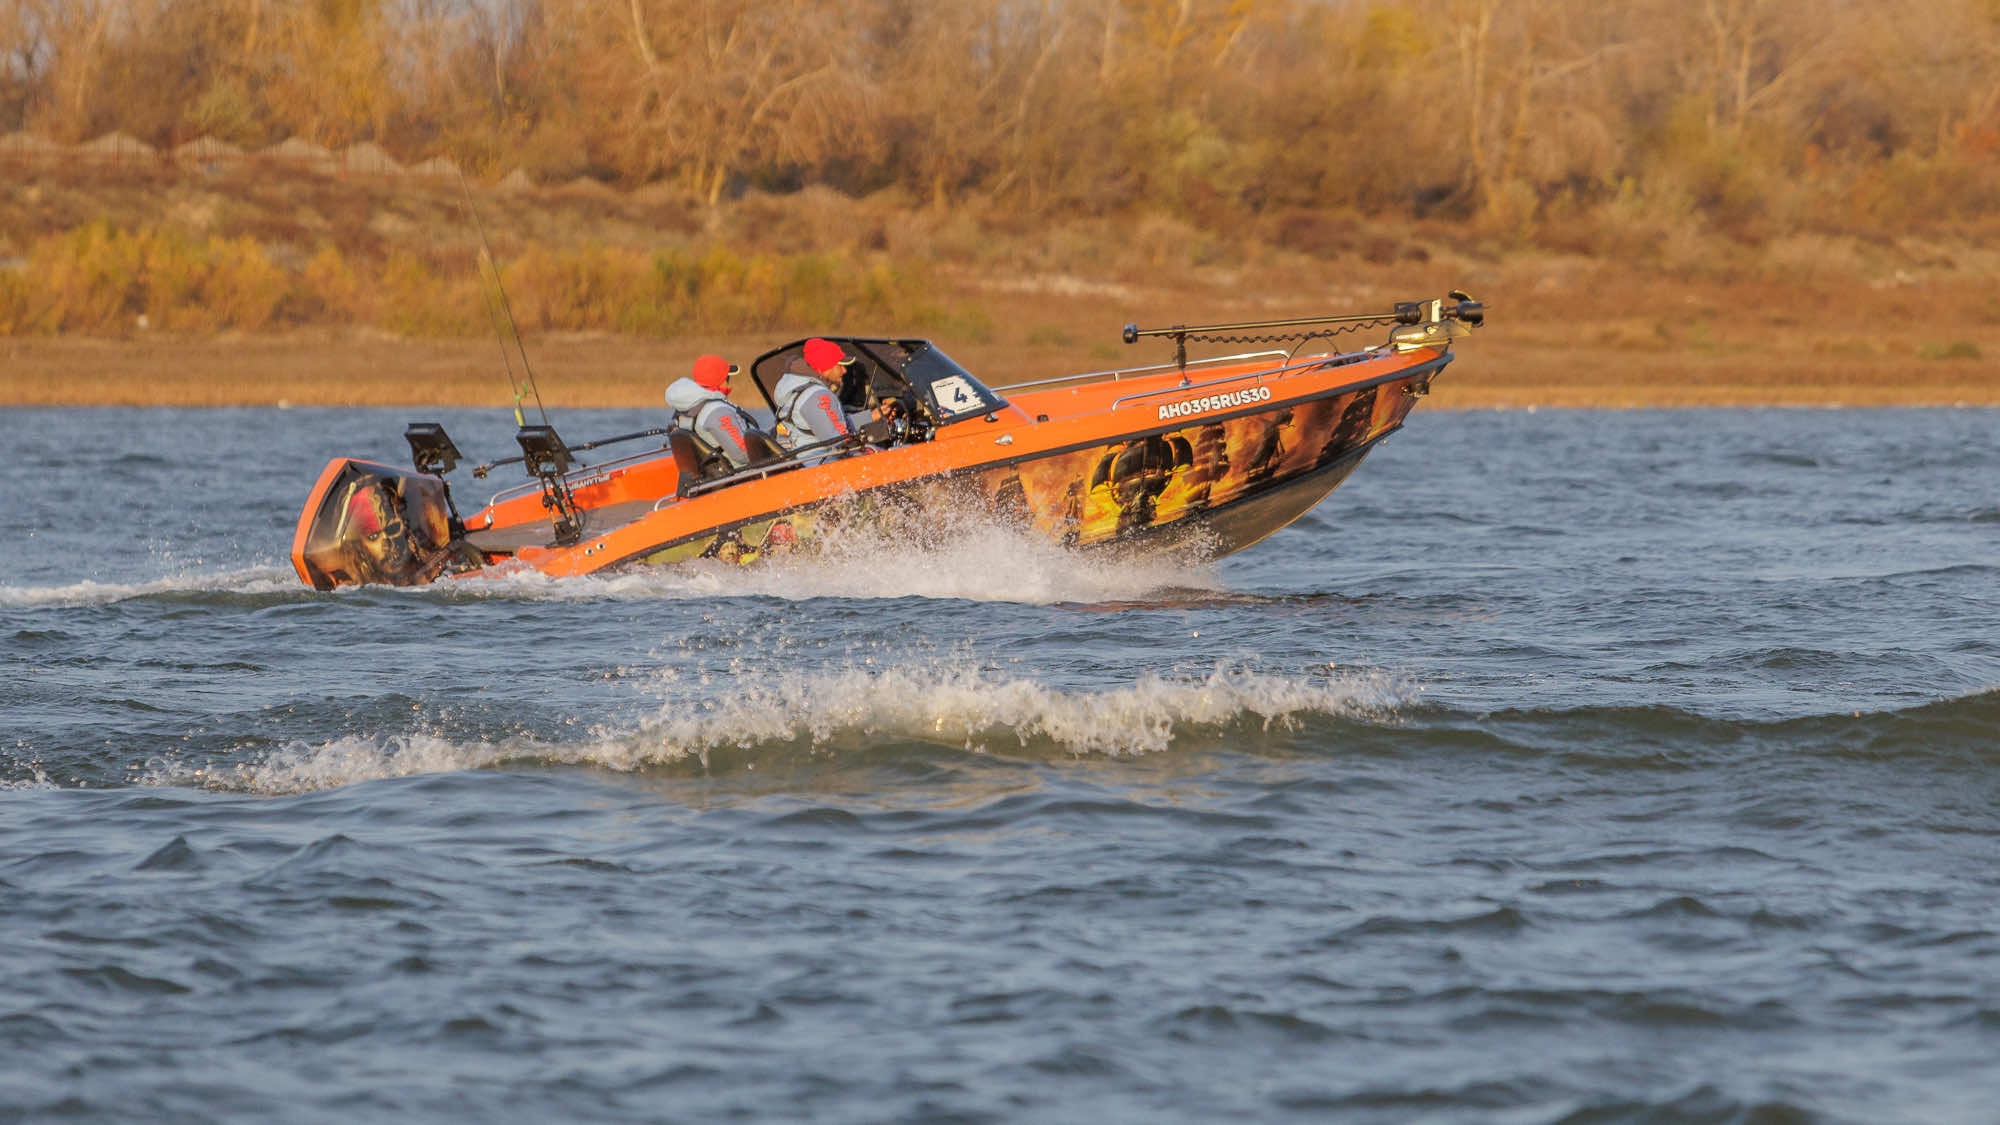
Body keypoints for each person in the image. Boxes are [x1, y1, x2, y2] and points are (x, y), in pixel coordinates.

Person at [665, 354, 760, 471]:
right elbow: (742, 453)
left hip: (712, 475)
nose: (728, 381)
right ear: (720, 380)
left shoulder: (686, 409)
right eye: (727, 377)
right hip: (740, 475)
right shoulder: (717, 411)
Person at [773, 338, 858, 458]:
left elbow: (826, 424)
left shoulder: (796, 388)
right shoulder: (818, 396)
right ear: (826, 366)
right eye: (840, 365)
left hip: (802, 461)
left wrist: (871, 416)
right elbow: (840, 440)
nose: (844, 371)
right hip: (821, 465)